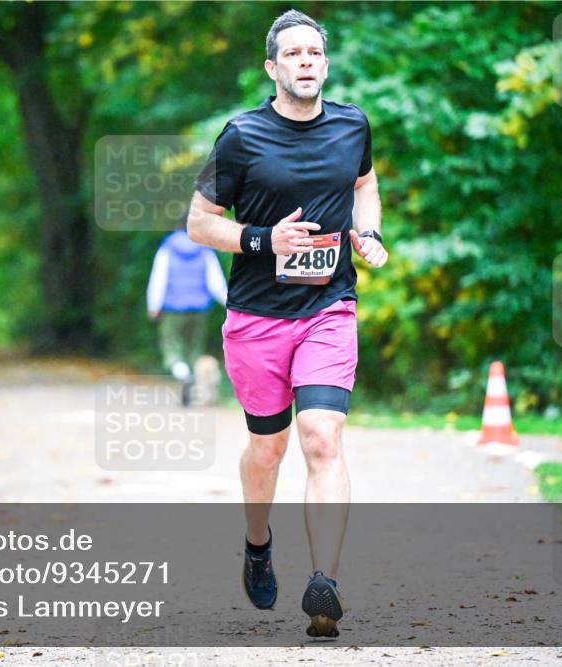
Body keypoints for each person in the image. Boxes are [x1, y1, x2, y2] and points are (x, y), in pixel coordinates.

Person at [187, 9, 388, 638]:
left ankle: (324, 581)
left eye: (315, 53)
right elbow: (199, 222)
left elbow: (365, 184)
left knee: (323, 438)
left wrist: (369, 232)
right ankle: (256, 543)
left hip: (329, 308)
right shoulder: (241, 136)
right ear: (273, 68)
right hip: (256, 318)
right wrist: (261, 238)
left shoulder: (353, 124)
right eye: (293, 54)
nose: (306, 62)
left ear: (325, 64)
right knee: (268, 448)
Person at [146, 215, 228, 406]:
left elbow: (158, 279)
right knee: (194, 351)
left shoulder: (167, 249)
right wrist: (230, 304)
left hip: (173, 308)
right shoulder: (204, 249)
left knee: (172, 349)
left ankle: (183, 377)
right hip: (200, 309)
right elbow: (216, 282)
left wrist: (153, 306)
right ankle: (192, 382)